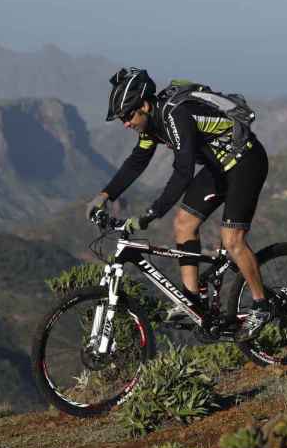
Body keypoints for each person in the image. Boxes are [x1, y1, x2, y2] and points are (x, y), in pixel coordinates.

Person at [85, 68, 271, 340]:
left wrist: (152, 212)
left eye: (128, 116)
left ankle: (261, 305)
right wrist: (104, 195)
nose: (125, 123)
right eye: (122, 119)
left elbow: (183, 171)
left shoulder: (175, 115)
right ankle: (191, 301)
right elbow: (137, 161)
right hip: (217, 168)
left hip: (245, 162)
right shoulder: (152, 124)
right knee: (184, 224)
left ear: (145, 105)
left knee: (232, 240)